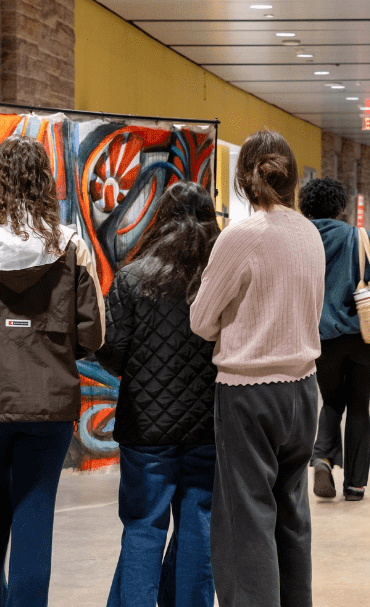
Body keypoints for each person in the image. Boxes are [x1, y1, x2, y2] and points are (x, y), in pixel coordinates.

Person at [0, 135, 105, 607]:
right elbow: (94, 335)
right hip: (47, 410)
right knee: (34, 523)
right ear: (45, 182)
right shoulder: (71, 246)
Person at [191, 129, 326, 607]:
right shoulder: (309, 233)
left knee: (245, 520)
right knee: (292, 515)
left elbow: (202, 319)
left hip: (247, 392)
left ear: (245, 183)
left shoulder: (241, 237)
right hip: (304, 390)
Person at [96, 181, 220, 607]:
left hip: (146, 427)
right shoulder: (219, 278)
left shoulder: (132, 278)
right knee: (197, 522)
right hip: (209, 423)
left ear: (160, 219)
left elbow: (111, 354)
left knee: (143, 526)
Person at [298, 177, 370, 502]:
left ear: (306, 207)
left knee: (330, 401)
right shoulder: (361, 237)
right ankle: (355, 486)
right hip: (363, 336)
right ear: (340, 206)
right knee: (359, 406)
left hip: (321, 339)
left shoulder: (301, 239)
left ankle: (322, 459)